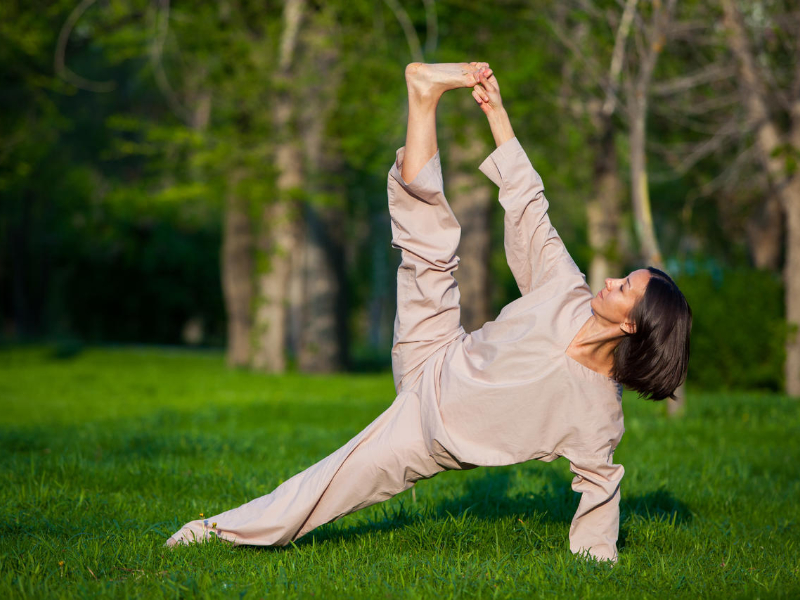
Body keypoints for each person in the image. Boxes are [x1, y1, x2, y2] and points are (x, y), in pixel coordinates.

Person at [165, 63, 692, 563]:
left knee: (330, 482)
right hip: (436, 349)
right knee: (431, 245)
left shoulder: (598, 411)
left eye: (623, 286)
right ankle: (423, 96)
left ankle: (213, 530)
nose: (608, 281)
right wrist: (496, 113)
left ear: (630, 324)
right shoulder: (565, 291)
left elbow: (600, 488)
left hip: (426, 429)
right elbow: (530, 206)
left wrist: (597, 561)